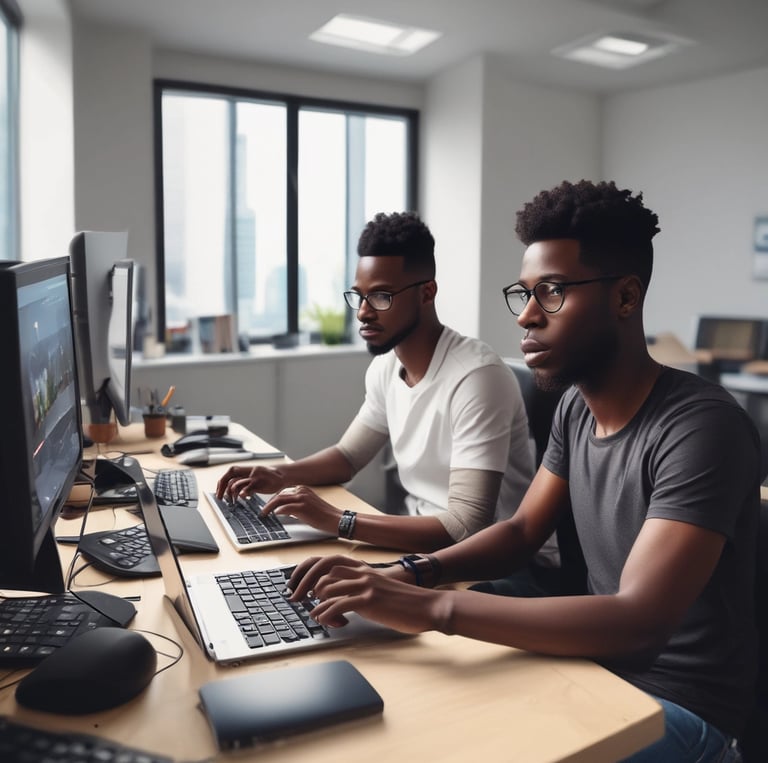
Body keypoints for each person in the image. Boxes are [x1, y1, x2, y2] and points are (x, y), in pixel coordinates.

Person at [283, 181, 761, 762]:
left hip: (680, 707)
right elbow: (520, 532)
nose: (528, 316)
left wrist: (431, 608)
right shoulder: (576, 409)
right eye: (525, 294)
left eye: (552, 292)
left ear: (625, 297)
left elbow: (638, 620)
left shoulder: (701, 427)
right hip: (592, 669)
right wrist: (410, 573)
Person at [217, 211, 547, 560]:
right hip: (422, 549)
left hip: (497, 565)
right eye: (359, 296)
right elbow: (347, 458)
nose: (363, 312)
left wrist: (339, 521)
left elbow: (467, 527)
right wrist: (277, 475)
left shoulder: (476, 378)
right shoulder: (386, 368)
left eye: (381, 296)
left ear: (427, 293)